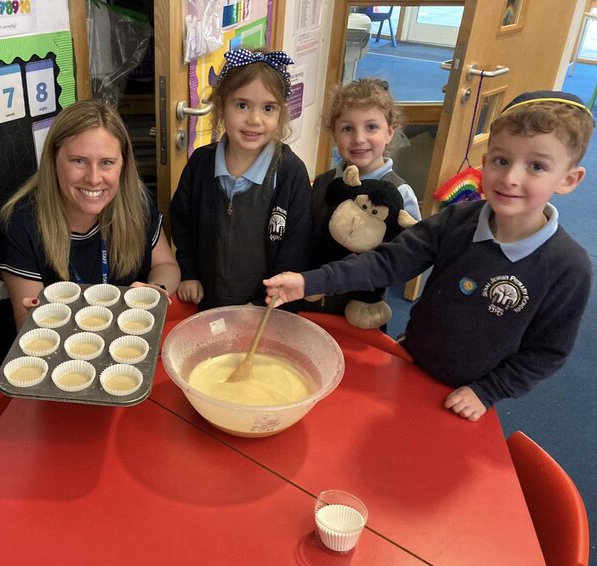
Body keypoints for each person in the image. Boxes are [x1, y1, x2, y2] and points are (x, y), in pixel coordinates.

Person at [265, 90, 593, 422]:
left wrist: (489, 390)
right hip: (410, 358)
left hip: (471, 391)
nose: (510, 178)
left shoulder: (569, 267)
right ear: (485, 161)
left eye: (536, 166)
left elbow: (548, 351)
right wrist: (309, 281)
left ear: (569, 179)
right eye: (501, 161)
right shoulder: (456, 221)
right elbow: (387, 262)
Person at [0, 99, 180, 328]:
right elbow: (25, 319)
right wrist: (38, 319)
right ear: (53, 160)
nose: (93, 179)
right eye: (79, 161)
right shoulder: (22, 221)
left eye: (106, 163)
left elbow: (166, 266)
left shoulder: (136, 202)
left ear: (123, 164)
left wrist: (156, 291)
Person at [169, 47, 313, 309]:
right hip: (207, 300)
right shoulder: (201, 164)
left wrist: (263, 303)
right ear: (222, 106)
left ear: (280, 112)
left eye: (268, 108)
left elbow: (297, 246)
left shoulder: (291, 172)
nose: (254, 119)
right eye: (242, 105)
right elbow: (182, 223)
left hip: (265, 309)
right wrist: (188, 272)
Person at [312, 78, 421, 226]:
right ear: (334, 135)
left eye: (371, 127)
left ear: (389, 133)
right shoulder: (323, 183)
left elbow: (414, 244)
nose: (359, 139)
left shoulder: (401, 193)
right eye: (348, 129)